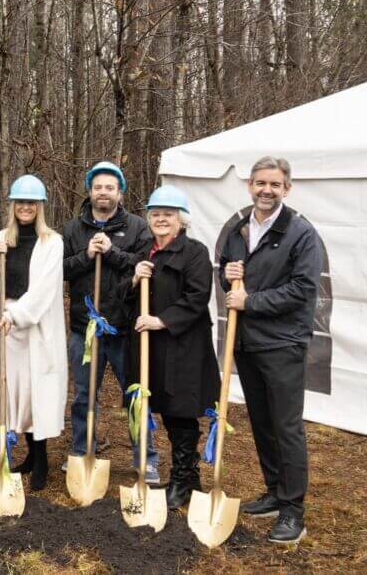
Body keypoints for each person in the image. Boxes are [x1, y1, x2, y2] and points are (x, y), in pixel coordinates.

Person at [220, 156, 321, 544]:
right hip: (246, 342)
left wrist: (252, 302)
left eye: (274, 185)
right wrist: (226, 274)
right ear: (249, 185)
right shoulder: (238, 227)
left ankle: (293, 511)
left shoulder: (300, 233)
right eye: (260, 183)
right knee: (262, 423)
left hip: (282, 344)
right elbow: (229, 275)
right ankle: (275, 493)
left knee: (287, 427)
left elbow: (303, 290)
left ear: (286, 189)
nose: (266, 190)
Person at [123, 186, 220, 510]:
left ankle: (183, 478)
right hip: (152, 349)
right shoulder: (144, 253)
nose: (161, 219)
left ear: (181, 220)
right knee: (166, 409)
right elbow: (122, 300)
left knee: (181, 411)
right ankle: (187, 479)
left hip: (184, 347)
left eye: (168, 214)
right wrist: (134, 279)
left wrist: (161, 321)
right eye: (155, 214)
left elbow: (197, 297)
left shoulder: (194, 252)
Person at [61, 161, 159, 482]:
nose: (103, 193)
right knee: (84, 395)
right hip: (83, 328)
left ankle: (146, 457)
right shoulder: (73, 229)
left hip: (122, 327)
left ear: (120, 192)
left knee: (135, 393)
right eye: (98, 187)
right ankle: (80, 451)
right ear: (89, 191)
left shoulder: (137, 228)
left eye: (110, 187)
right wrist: (86, 256)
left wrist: (113, 253)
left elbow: (146, 265)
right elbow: (60, 270)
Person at [0, 175, 67, 491]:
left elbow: (43, 290)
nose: (26, 207)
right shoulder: (4, 236)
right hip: (6, 327)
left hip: (34, 326)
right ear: (13, 205)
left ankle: (41, 460)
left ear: (39, 206)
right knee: (12, 392)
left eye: (32, 203)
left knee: (34, 393)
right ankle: (27, 454)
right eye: (20, 202)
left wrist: (15, 314)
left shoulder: (52, 242)